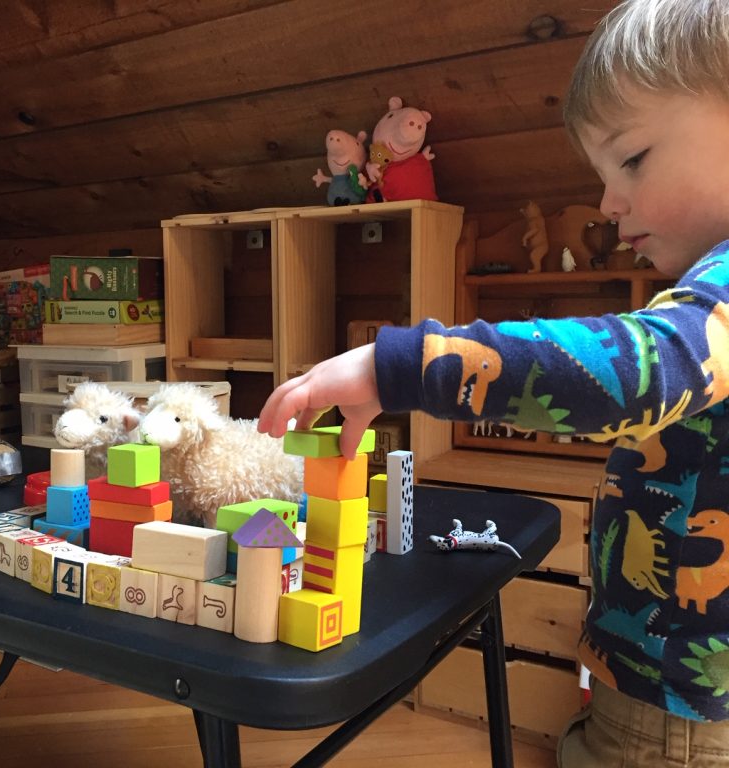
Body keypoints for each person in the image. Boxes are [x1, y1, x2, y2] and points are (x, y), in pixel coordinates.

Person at [257, 1, 729, 765]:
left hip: (675, 701)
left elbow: (644, 370)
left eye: (632, 159)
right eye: (601, 177)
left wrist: (395, 364)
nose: (609, 204)